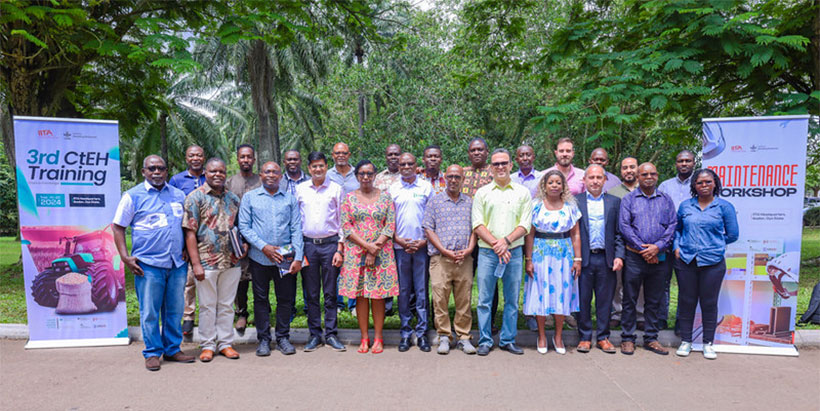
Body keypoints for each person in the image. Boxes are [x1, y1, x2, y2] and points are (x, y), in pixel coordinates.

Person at [112, 155, 195, 371]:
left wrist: (186, 248)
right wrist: (125, 256)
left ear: (167, 171)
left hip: (176, 263)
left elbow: (185, 226)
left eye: (161, 168)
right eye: (152, 168)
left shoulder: (178, 195)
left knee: (175, 309)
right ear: (143, 171)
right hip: (147, 264)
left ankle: (172, 349)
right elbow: (118, 226)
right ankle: (152, 352)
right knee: (149, 311)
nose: (157, 172)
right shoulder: (133, 196)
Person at [239, 161, 304, 356]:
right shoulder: (250, 198)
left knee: (285, 299)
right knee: (260, 299)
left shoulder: (289, 199)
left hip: (285, 259)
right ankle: (264, 339)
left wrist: (298, 257)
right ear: (261, 175)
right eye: (267, 171)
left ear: (280, 176)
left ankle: (283, 337)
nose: (271, 175)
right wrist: (264, 247)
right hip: (260, 258)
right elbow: (244, 227)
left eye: (275, 172)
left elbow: (296, 228)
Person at [472, 148, 533, 356]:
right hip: (488, 254)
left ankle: (508, 339)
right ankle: (485, 340)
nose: (500, 167)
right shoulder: (482, 193)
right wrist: (497, 245)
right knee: (484, 300)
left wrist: (506, 242)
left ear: (510, 165)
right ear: (490, 167)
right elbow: (478, 224)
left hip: (514, 253)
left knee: (512, 300)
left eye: (503, 163)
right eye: (496, 164)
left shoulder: (522, 193)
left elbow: (525, 224)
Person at [182, 158, 242, 362]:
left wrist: (243, 246)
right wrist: (196, 263)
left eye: (222, 172)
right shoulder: (195, 198)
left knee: (226, 305)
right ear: (205, 173)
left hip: (231, 261)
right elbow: (189, 232)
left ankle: (225, 343)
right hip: (206, 262)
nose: (218, 175)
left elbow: (239, 227)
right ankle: (207, 344)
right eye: (213, 171)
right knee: (207, 305)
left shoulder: (233, 198)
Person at [674, 169, 738, 360]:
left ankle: (708, 343)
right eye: (700, 183)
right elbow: (678, 230)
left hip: (713, 262)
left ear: (715, 184)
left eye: (708, 182)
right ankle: (686, 340)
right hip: (686, 260)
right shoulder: (686, 206)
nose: (704, 186)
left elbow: (733, 234)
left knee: (709, 303)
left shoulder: (724, 207)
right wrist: (677, 247)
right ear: (694, 185)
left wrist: (714, 245)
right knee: (686, 301)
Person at [338, 160, 399, 354]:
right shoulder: (348, 198)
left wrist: (375, 248)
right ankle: (364, 337)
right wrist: (367, 247)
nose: (366, 177)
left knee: (378, 295)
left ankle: (379, 337)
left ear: (375, 176)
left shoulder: (386, 197)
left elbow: (389, 225)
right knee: (361, 295)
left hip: (381, 254)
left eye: (369, 173)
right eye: (362, 173)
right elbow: (346, 227)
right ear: (356, 176)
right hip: (356, 254)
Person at [618, 162, 676, 355]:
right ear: (638, 177)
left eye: (652, 174)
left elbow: (672, 226)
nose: (648, 177)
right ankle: (627, 338)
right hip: (635, 257)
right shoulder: (629, 199)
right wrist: (643, 249)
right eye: (644, 174)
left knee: (654, 299)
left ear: (657, 176)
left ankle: (651, 338)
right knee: (630, 299)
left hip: (660, 257)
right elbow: (625, 226)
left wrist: (657, 247)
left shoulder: (666, 200)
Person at [523, 169, 581, 355]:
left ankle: (558, 336)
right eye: (551, 182)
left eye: (558, 182)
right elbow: (530, 234)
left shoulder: (571, 207)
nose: (555, 185)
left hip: (564, 254)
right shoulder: (536, 206)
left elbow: (576, 234)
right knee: (541, 292)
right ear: (544, 185)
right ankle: (541, 335)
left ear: (563, 186)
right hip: (541, 252)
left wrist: (577, 259)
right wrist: (529, 259)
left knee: (561, 294)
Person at [295, 151, 347, 352]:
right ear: (309, 168)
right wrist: (300, 250)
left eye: (321, 166)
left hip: (330, 245)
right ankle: (315, 334)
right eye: (314, 166)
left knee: (330, 292)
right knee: (312, 292)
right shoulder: (300, 190)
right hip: (308, 245)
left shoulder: (336, 189)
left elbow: (342, 220)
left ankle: (332, 334)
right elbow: (296, 221)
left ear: (327, 167)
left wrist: (340, 249)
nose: (318, 169)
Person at [423, 164, 478, 355]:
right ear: (445, 178)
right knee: (440, 299)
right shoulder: (435, 201)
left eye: (457, 176)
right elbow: (428, 229)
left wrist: (470, 248)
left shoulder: (471, 202)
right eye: (450, 176)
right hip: (441, 258)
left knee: (464, 299)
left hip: (464, 258)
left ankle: (463, 337)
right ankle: (444, 336)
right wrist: (444, 250)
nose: (453, 180)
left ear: (463, 179)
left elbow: (476, 228)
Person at [574, 165, 624, 354]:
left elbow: (619, 233)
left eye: (599, 177)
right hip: (583, 259)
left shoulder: (614, 202)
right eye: (591, 177)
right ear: (584, 180)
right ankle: (585, 337)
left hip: (606, 259)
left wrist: (619, 256)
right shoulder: (575, 201)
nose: (595, 181)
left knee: (605, 300)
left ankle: (603, 337)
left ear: (605, 180)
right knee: (583, 299)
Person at [390, 153, 433, 352]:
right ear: (398, 166)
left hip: (422, 247)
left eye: (410, 163)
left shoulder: (425, 187)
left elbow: (433, 216)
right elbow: (388, 218)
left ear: (416, 166)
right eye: (402, 164)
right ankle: (406, 333)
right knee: (404, 291)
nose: (406, 166)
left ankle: (422, 333)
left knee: (422, 290)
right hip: (400, 247)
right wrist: (397, 239)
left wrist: (424, 241)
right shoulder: (392, 189)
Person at [169, 145, 206, 338]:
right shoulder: (176, 180)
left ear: (204, 157)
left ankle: (210, 316)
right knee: (189, 280)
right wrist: (182, 244)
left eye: (199, 155)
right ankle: (189, 316)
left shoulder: (212, 176)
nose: (195, 158)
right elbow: (174, 211)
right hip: (186, 234)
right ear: (186, 158)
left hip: (208, 238)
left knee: (208, 279)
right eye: (191, 155)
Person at [658, 149, 696, 331]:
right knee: (662, 283)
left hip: (688, 244)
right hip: (665, 243)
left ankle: (682, 321)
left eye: (688, 161)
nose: (684, 164)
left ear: (694, 163)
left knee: (685, 285)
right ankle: (661, 319)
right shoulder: (665, 186)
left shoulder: (698, 184)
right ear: (676, 163)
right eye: (681, 161)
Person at [225, 144, 261, 334]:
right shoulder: (230, 183)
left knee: (259, 277)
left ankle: (261, 311)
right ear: (237, 159)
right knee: (240, 278)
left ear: (254, 160)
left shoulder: (261, 181)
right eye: (242, 157)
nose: (246, 160)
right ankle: (242, 313)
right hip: (237, 238)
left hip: (260, 238)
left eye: (249, 157)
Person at [606, 156, 644, 329]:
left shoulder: (646, 190)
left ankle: (640, 315)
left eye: (632, 167)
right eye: (625, 168)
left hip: (640, 244)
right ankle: (617, 313)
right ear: (620, 171)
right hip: (619, 243)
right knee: (617, 281)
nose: (628, 170)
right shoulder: (613, 193)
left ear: (637, 169)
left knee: (640, 282)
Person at [511, 144, 542, 331]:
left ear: (534, 157)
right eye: (521, 155)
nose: (525, 158)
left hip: (535, 233)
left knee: (532, 272)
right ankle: (512, 312)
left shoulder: (541, 179)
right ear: (516, 159)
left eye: (528, 154)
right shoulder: (511, 178)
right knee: (512, 276)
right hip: (512, 232)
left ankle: (531, 313)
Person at [327, 142, 359, 313]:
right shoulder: (327, 175)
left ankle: (353, 304)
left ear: (349, 155)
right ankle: (338, 303)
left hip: (356, 226)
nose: (341, 155)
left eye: (344, 153)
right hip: (334, 225)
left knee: (353, 266)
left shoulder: (357, 174)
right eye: (337, 153)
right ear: (332, 155)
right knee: (336, 266)